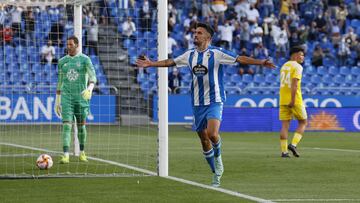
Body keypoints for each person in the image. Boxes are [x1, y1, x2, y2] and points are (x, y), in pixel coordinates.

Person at [136, 22, 275, 187]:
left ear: (208, 37)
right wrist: (151, 64)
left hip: (215, 100)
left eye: (199, 33)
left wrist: (260, 62)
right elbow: (170, 62)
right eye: (195, 32)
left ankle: (218, 158)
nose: (196, 35)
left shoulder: (217, 53)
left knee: (212, 134)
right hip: (197, 102)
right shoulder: (189, 55)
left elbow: (239, 58)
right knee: (203, 139)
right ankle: (215, 173)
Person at [54, 36, 97, 164]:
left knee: (81, 127)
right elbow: (60, 81)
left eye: (71, 44)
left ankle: (82, 152)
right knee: (66, 126)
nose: (68, 47)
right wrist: (57, 100)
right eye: (67, 44)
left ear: (77, 45)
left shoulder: (85, 60)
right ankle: (65, 155)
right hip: (67, 98)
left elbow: (93, 76)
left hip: (81, 98)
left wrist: (90, 88)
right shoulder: (62, 61)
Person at [279, 46, 307, 158]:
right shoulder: (298, 67)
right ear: (295, 55)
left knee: (285, 125)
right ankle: (293, 144)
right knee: (303, 122)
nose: (303, 57)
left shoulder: (284, 66)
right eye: (301, 54)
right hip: (294, 99)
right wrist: (293, 99)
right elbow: (294, 83)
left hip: (282, 99)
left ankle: (284, 152)